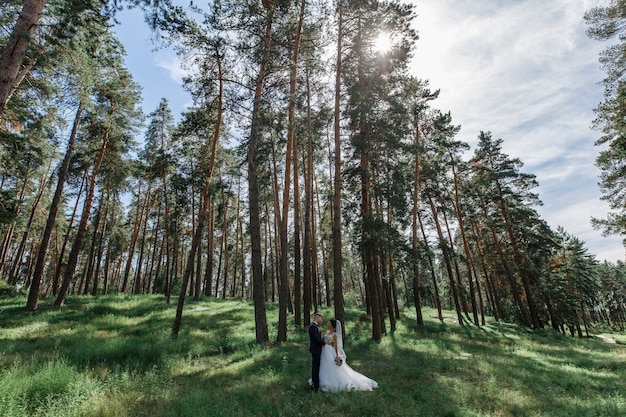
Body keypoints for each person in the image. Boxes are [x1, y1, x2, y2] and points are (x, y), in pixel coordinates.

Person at [315, 319, 379, 392]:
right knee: (324, 365)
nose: (328, 324)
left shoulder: (335, 334)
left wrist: (337, 355)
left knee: (331, 366)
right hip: (324, 351)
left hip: (330, 351)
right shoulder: (327, 332)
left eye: (329, 324)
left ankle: (333, 382)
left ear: (333, 326)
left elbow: (336, 346)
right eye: (328, 323)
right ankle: (322, 380)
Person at [308, 313, 327, 391]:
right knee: (315, 367)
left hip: (317, 349)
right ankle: (315, 385)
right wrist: (324, 342)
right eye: (321, 319)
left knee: (317, 366)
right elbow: (315, 339)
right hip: (315, 349)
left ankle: (316, 382)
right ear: (317, 318)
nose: (321, 320)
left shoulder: (316, 327)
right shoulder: (313, 327)